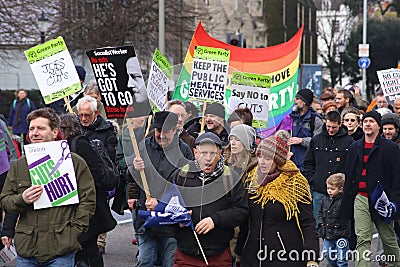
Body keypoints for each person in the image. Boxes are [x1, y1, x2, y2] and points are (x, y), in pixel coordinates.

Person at [0, 108, 96, 266]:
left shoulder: (74, 162)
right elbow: (5, 200)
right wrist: (22, 199)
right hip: (27, 249)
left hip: (61, 249)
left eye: (41, 128)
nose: (34, 133)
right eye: (31, 129)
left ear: (54, 132)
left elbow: (88, 200)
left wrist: (75, 231)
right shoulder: (19, 165)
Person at [169, 132, 248, 266]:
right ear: (195, 153)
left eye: (213, 153)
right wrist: (177, 219)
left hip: (218, 254)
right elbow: (168, 206)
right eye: (203, 153)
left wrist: (215, 220)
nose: (208, 158)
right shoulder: (181, 175)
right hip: (186, 254)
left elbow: (242, 211)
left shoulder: (230, 178)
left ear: (220, 154)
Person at [240, 133, 319, 267]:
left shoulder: (295, 183)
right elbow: (244, 218)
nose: (261, 162)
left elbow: (307, 222)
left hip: (285, 256)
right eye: (259, 156)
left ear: (278, 160)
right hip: (252, 256)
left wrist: (312, 258)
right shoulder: (251, 179)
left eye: (267, 158)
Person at [132, 111, 194, 267]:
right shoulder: (143, 146)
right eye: (158, 131)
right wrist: (133, 168)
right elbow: (130, 177)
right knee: (145, 260)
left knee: (170, 262)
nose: (161, 136)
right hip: (147, 219)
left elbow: (186, 187)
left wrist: (160, 204)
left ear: (175, 130)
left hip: (170, 222)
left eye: (166, 132)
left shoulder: (184, 151)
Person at [341, 110, 400, 266]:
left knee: (388, 239)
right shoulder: (354, 147)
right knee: (362, 239)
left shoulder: (391, 148)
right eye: (365, 121)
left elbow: (396, 178)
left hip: (382, 199)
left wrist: (394, 202)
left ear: (378, 126)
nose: (367, 124)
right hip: (360, 197)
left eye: (371, 122)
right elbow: (349, 175)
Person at [59, 114, 117, 267]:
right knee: (84, 247)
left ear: (65, 129)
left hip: (89, 205)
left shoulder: (80, 144)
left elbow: (96, 173)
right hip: (77, 203)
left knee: (88, 246)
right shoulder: (62, 147)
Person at [77, 95, 118, 254]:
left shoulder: (107, 130)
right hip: (80, 181)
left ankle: (99, 241)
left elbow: (110, 157)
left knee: (99, 215)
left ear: (95, 113)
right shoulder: (76, 128)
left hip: (98, 182)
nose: (83, 118)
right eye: (80, 115)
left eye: (87, 115)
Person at [303, 110, 354, 222]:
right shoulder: (316, 140)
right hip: (319, 190)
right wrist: (313, 179)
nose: (330, 130)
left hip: (340, 193)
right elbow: (308, 162)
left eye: (334, 127)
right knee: (318, 224)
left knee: (340, 224)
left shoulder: (349, 142)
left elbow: (353, 165)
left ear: (340, 124)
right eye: (328, 126)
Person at [318, 173, 351, 267]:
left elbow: (348, 218)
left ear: (340, 189)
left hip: (341, 234)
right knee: (326, 253)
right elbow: (320, 213)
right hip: (327, 234)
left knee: (342, 259)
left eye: (332, 189)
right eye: (328, 188)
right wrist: (321, 225)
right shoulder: (325, 200)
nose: (329, 191)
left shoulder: (344, 202)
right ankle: (333, 265)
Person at [289, 88, 324, 171]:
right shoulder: (291, 118)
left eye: (297, 99)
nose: (295, 101)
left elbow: (318, 142)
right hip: (291, 164)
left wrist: (301, 140)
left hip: (307, 166)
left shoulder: (315, 120)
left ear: (304, 102)